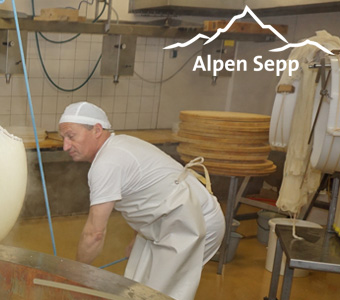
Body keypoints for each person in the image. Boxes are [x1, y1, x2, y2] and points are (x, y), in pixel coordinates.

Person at [58, 102, 225, 300]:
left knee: (157, 295)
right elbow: (150, 190)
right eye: (63, 138)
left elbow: (94, 233)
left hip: (194, 222)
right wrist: (137, 235)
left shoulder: (107, 163)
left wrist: (76, 274)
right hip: (172, 221)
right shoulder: (120, 144)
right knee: (137, 287)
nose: (65, 146)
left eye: (71, 136)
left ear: (96, 130)